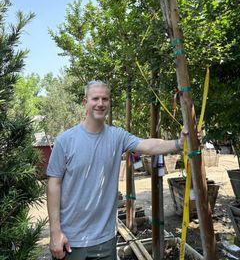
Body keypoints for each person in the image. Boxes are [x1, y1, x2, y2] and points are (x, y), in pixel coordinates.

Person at [47, 80, 186, 260]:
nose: (100, 103)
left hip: (106, 239)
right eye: (95, 98)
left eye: (105, 99)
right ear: (85, 103)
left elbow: (148, 145)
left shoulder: (117, 136)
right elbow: (53, 185)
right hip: (72, 240)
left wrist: (179, 143)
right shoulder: (65, 140)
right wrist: (55, 233)